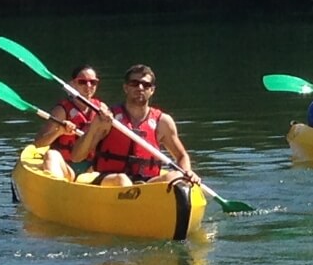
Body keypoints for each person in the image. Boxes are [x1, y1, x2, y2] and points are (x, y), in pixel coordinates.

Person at [70, 65, 198, 187]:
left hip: (147, 184)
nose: (140, 88)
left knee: (176, 175)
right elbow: (77, 157)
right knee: (122, 180)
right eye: (134, 83)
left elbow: (182, 156)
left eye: (146, 85)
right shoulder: (109, 118)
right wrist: (94, 127)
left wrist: (186, 172)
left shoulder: (163, 122)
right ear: (126, 87)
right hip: (110, 180)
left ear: (152, 90)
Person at [31, 65, 109, 180]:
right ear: (72, 85)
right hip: (65, 167)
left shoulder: (102, 109)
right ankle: (56, 187)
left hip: (92, 169)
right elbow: (38, 144)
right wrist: (59, 131)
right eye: (82, 82)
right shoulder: (62, 110)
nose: (88, 86)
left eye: (93, 82)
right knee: (51, 154)